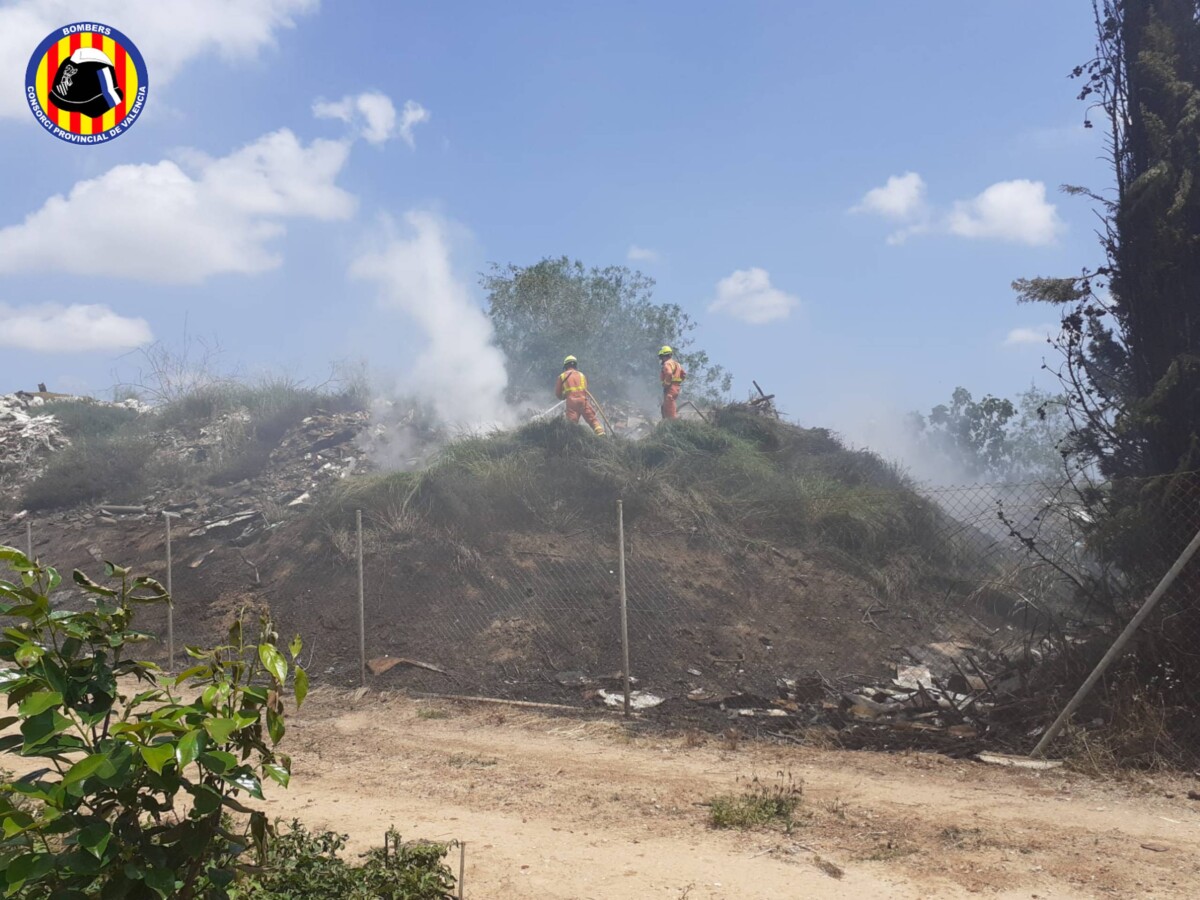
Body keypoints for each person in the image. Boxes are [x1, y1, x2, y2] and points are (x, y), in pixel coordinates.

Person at [556, 355, 605, 435]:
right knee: (592, 420)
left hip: (571, 402)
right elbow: (584, 389)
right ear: (575, 365)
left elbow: (558, 394)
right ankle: (601, 434)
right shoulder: (582, 375)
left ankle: (573, 440)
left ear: (566, 366)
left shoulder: (562, 376)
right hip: (583, 401)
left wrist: (564, 396)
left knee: (572, 424)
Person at [658, 345, 687, 420]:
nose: (661, 359)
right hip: (676, 387)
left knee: (669, 402)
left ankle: (673, 421)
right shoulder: (677, 364)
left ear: (664, 356)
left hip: (670, 387)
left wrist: (666, 384)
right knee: (666, 405)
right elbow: (683, 374)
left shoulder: (667, 364)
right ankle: (668, 420)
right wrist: (678, 382)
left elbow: (669, 373)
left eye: (661, 356)